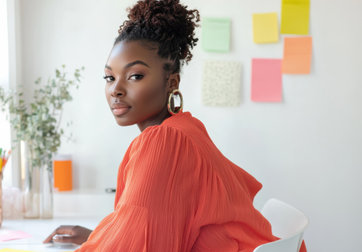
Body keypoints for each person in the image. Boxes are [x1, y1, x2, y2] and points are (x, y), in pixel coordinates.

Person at [44, 0, 307, 251]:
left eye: (135, 76)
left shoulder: (166, 142)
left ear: (172, 83)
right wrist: (98, 237)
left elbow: (146, 240)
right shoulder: (185, 128)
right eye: (109, 77)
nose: (116, 90)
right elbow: (152, 226)